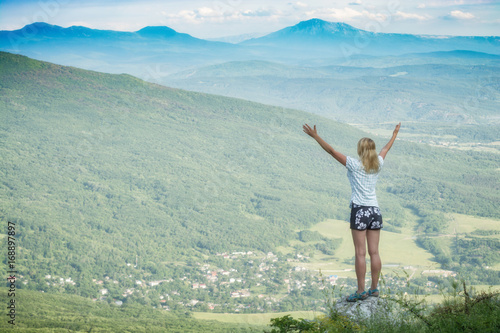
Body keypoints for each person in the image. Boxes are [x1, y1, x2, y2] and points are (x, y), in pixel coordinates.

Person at [302, 122, 401, 302]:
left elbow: (331, 151)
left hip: (360, 211)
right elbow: (386, 148)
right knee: (375, 252)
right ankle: (374, 289)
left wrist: (316, 137)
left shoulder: (354, 165)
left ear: (360, 150)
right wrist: (394, 134)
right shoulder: (378, 163)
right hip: (375, 211)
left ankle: (361, 290)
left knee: (360, 253)